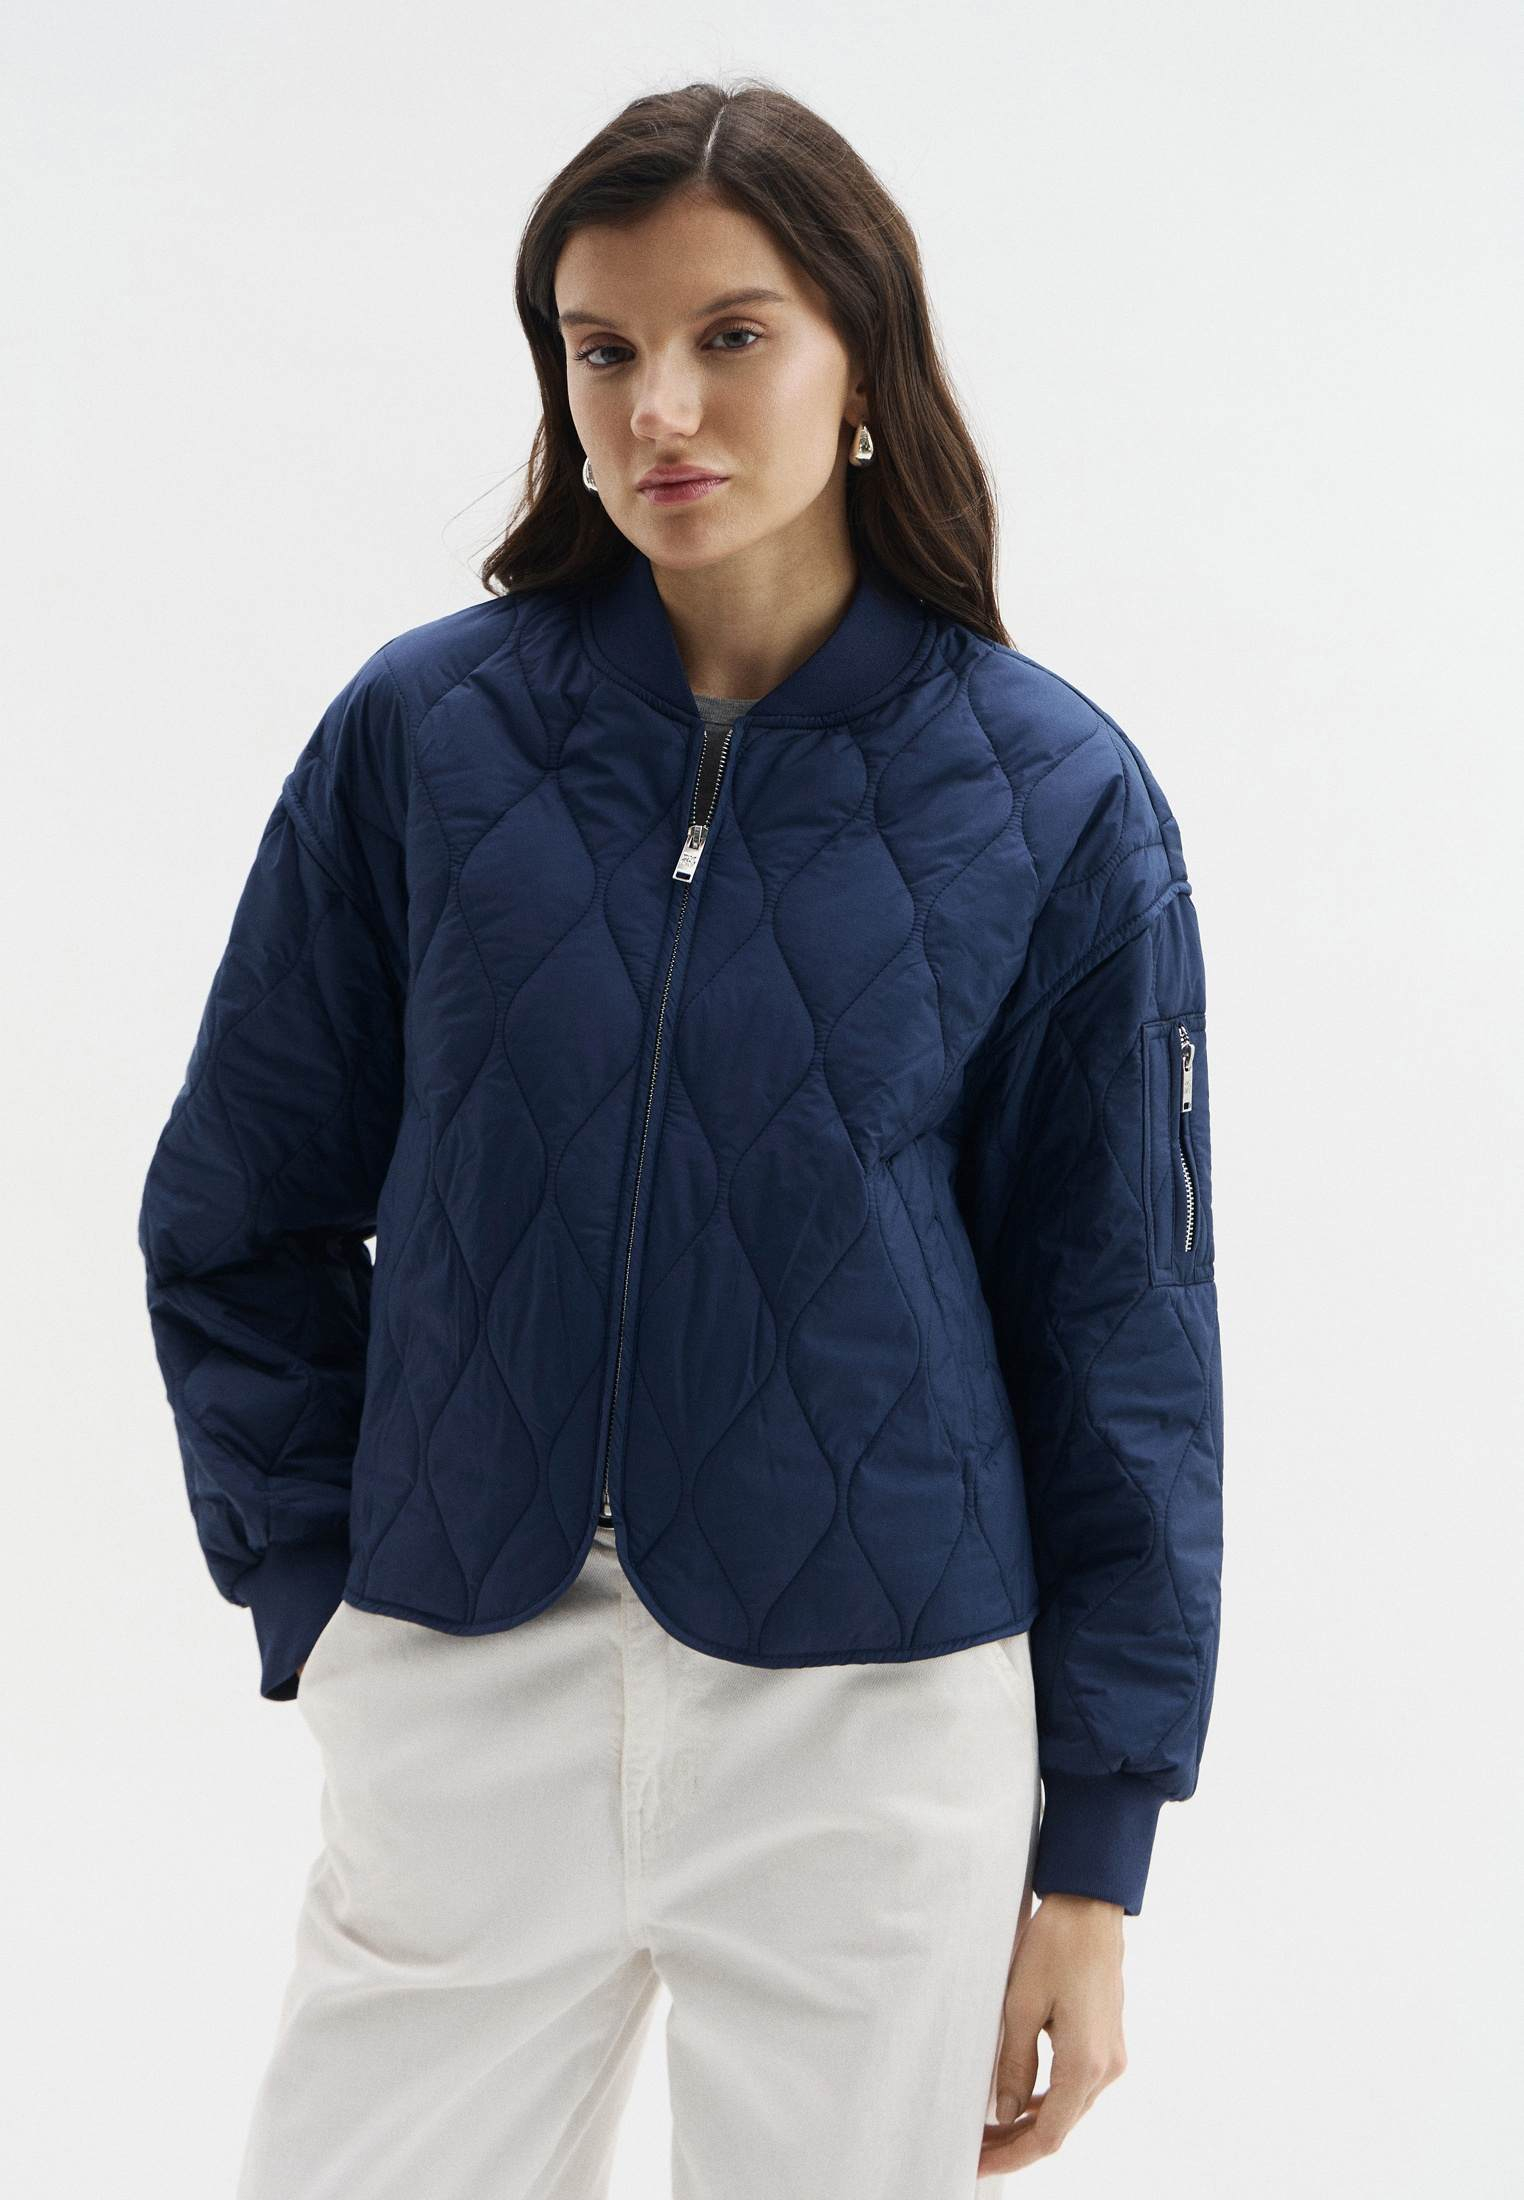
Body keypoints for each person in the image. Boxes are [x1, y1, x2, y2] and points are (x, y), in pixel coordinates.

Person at [137, 78, 1223, 2200]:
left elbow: (1126, 1339)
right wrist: (324, 1602)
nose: (659, 409)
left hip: (872, 1715)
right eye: (602, 347)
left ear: (863, 362)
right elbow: (239, 1207)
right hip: (466, 1670)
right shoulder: (424, 737)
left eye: (733, 336)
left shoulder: (1054, 797)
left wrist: (1095, 1856)